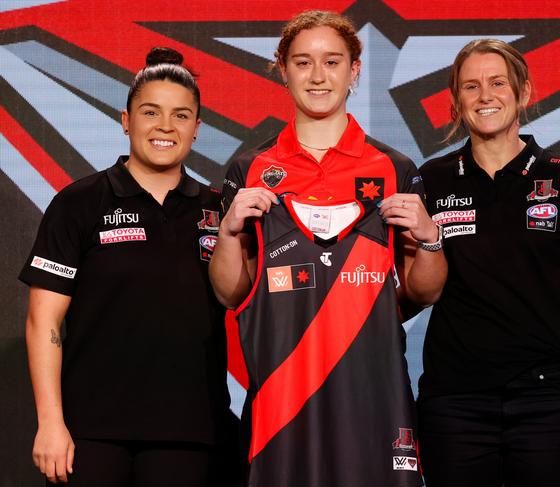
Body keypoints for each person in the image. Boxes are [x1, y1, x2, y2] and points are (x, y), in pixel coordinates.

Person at [210, 10, 447, 487]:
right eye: (303, 62)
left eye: (332, 62)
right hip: (281, 401)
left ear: (354, 69)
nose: (318, 76)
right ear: (282, 68)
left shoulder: (395, 168)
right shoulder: (248, 169)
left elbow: (423, 292)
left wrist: (429, 237)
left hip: (373, 401)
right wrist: (229, 232)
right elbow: (231, 292)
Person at [20, 47, 233, 486]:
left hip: (190, 433)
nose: (165, 127)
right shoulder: (78, 203)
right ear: (125, 119)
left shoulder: (220, 212)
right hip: (89, 434)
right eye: (150, 112)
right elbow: (45, 320)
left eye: (180, 115)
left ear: (197, 127)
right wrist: (51, 422)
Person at [417, 39, 560, 487]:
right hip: (455, 400)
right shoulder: (430, 180)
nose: (485, 96)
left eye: (498, 83)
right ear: (456, 103)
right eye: (470, 86)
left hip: (547, 398)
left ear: (523, 93)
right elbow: (414, 292)